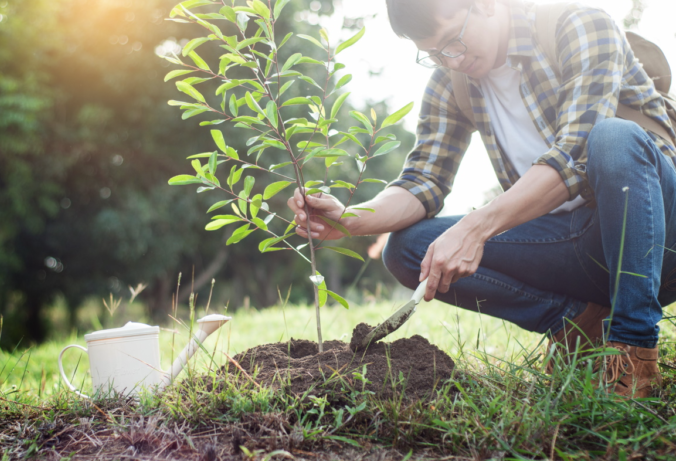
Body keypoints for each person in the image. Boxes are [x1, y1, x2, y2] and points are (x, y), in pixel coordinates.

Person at [286, 0, 676, 398]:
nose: (451, 60)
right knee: (408, 249)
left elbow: (575, 154)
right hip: (576, 245)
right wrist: (350, 219)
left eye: (452, 41)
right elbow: (422, 181)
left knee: (613, 137)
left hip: (658, 237)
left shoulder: (579, 26)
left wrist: (476, 227)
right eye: (434, 53)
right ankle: (578, 324)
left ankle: (632, 352)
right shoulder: (450, 82)